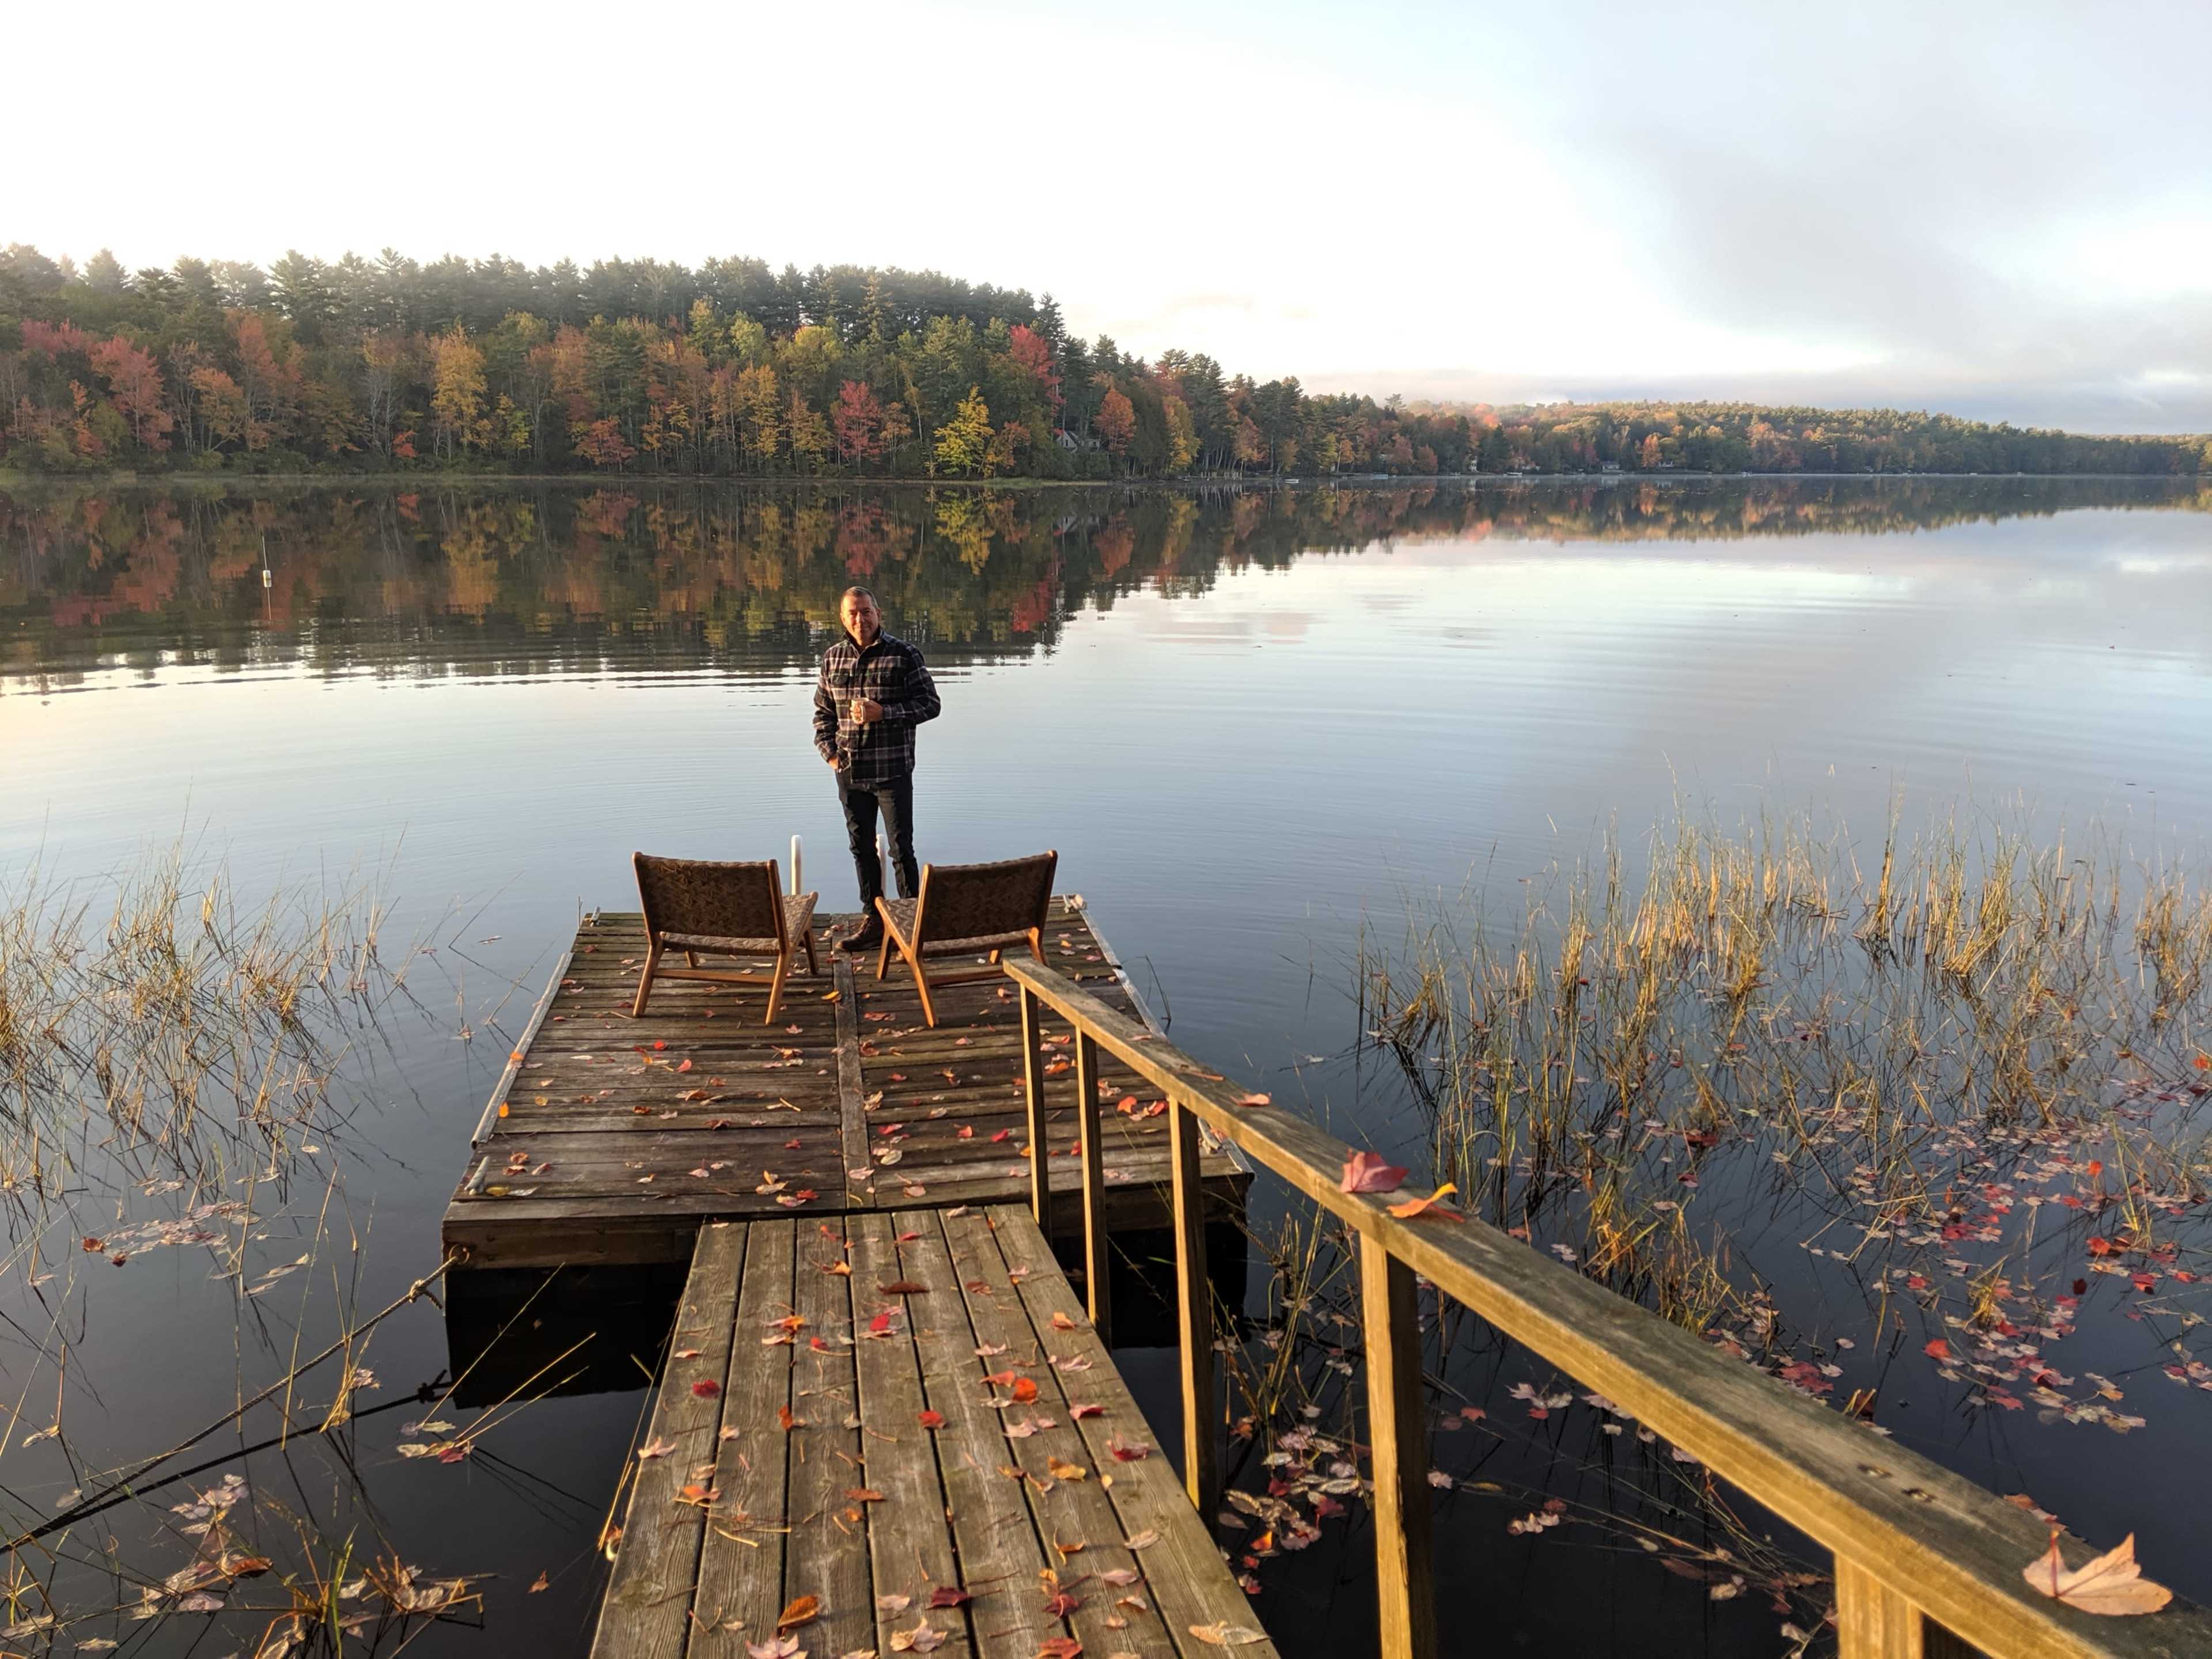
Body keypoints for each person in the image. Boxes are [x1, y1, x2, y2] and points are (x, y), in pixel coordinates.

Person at [812, 585, 941, 950]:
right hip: (850, 771)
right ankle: (873, 920)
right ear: (842, 617)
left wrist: (885, 713)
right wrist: (831, 755)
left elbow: (930, 705)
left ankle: (912, 925)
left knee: (902, 849)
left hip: (893, 770)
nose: (860, 619)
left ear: (878, 613)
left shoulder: (904, 655)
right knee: (861, 848)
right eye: (853, 613)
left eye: (866, 611)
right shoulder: (833, 658)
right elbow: (822, 715)